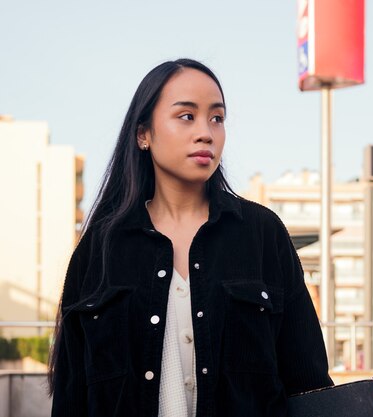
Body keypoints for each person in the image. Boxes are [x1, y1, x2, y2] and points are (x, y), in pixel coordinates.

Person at [48, 58, 333, 417]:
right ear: (143, 134)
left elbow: (310, 386)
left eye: (217, 118)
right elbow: (72, 399)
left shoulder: (263, 235)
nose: (206, 133)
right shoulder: (99, 249)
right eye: (187, 116)